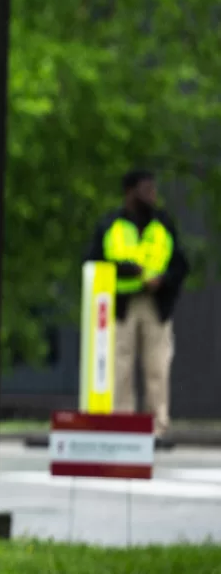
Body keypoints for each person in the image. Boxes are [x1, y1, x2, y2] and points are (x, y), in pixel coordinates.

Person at [88, 169, 190, 435]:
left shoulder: (163, 224)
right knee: (120, 367)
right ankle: (121, 423)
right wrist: (130, 270)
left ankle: (157, 426)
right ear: (130, 192)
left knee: (157, 367)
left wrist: (163, 280)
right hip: (122, 305)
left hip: (156, 306)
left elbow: (180, 264)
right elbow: (94, 263)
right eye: (147, 190)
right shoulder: (110, 225)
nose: (152, 195)